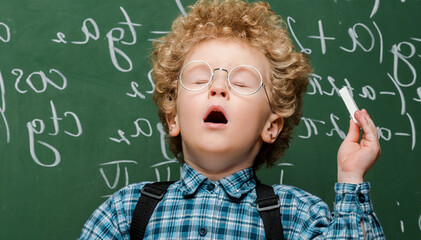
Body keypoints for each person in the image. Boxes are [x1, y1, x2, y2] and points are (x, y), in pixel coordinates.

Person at [79, 0, 385, 239]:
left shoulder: (297, 215)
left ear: (271, 126)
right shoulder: (126, 211)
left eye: (241, 83)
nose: (218, 87)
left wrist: (350, 178)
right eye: (199, 79)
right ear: (174, 119)